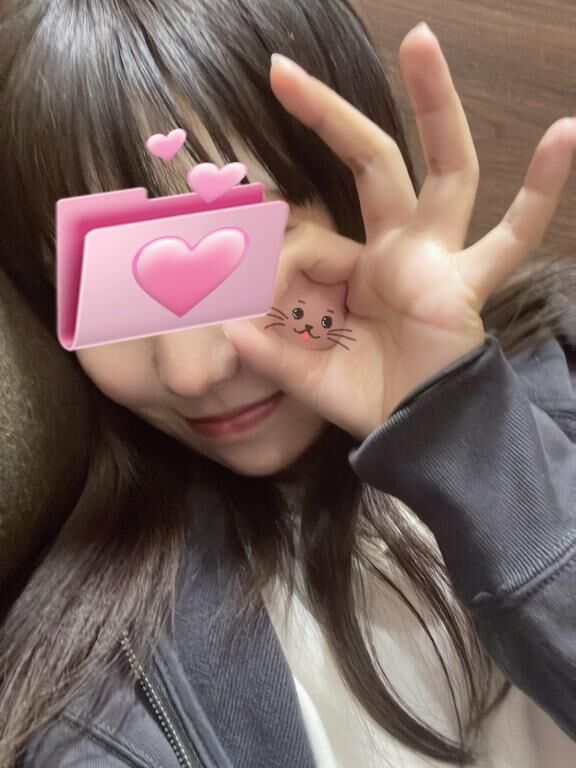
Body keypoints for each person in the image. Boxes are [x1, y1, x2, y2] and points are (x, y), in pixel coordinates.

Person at [0, 1, 575, 766]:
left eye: (245, 252)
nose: (193, 372)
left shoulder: (561, 365)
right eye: (110, 290)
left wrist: (466, 434)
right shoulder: (98, 689)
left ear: (356, 197)